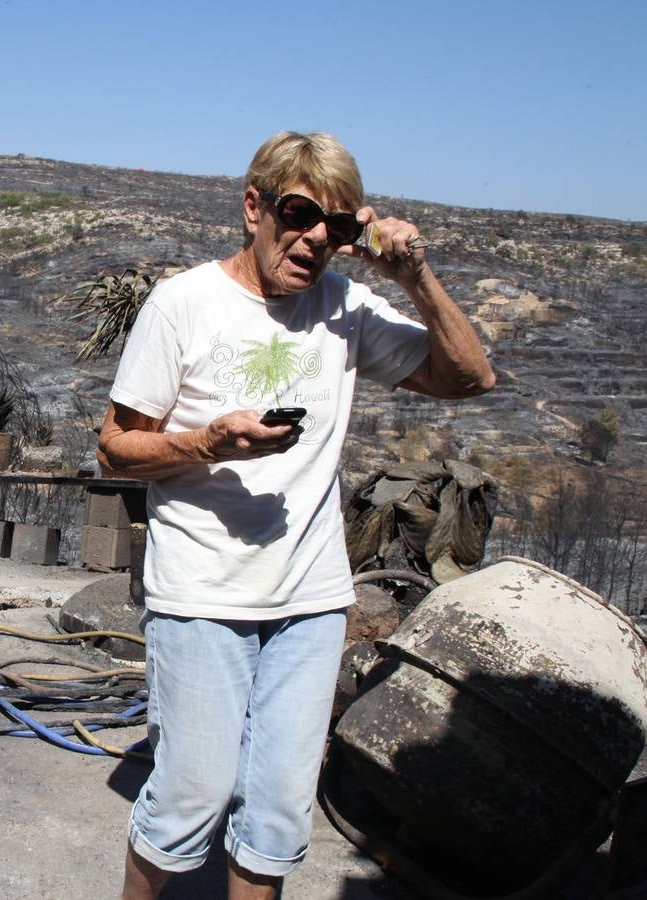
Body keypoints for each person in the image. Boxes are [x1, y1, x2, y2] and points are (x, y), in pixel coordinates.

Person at [98, 131, 495, 900]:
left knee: (278, 819)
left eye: (338, 228)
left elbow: (468, 378)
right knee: (189, 800)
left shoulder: (343, 306)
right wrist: (210, 441)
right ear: (254, 208)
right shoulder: (184, 303)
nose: (315, 240)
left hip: (309, 600)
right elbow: (116, 449)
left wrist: (412, 275)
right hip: (202, 594)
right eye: (299, 214)